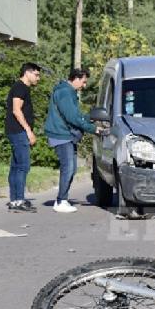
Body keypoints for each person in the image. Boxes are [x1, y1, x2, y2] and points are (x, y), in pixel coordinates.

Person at [44, 68, 96, 213]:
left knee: (71, 168)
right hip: (61, 134)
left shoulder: (67, 92)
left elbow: (75, 115)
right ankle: (61, 201)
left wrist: (88, 118)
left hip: (65, 134)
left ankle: (62, 199)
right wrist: (93, 129)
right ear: (76, 79)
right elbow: (72, 117)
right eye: (84, 82)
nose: (84, 86)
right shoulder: (66, 92)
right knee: (68, 168)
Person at [6, 62, 41, 212]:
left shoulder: (21, 88)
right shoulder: (20, 87)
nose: (38, 78)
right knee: (23, 166)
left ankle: (14, 200)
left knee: (15, 167)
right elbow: (16, 110)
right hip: (19, 132)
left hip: (15, 131)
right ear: (27, 72)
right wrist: (29, 131)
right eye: (36, 74)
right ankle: (19, 200)